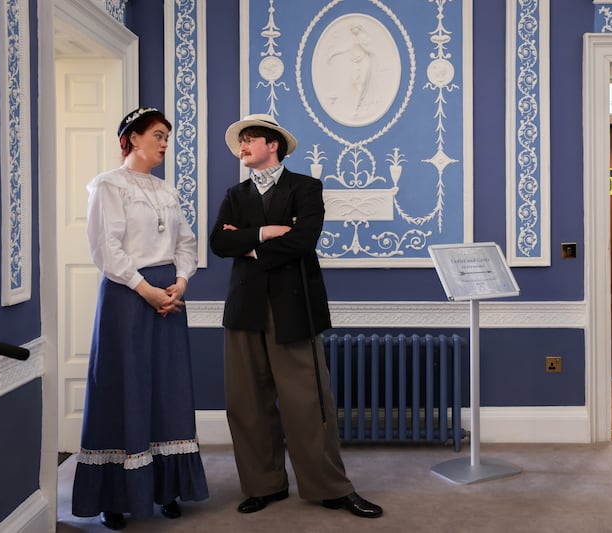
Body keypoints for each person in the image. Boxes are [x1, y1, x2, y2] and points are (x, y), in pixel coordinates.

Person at [210, 113, 383, 519]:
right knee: (246, 403)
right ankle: (264, 485)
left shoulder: (306, 187)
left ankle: (330, 487)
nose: (243, 146)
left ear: (273, 145)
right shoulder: (235, 193)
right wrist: (266, 234)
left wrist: (247, 243)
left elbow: (304, 241)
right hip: (244, 308)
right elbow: (219, 241)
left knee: (308, 402)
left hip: (294, 307)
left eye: (251, 139)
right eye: (241, 141)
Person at [72, 107, 209, 530]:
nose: (164, 143)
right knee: (123, 386)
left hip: (167, 296)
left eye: (167, 136)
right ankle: (115, 497)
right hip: (128, 298)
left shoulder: (166, 191)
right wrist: (146, 289)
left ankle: (165, 489)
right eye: (157, 135)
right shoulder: (108, 186)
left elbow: (186, 241)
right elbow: (106, 249)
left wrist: (181, 282)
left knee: (167, 387)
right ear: (131, 138)